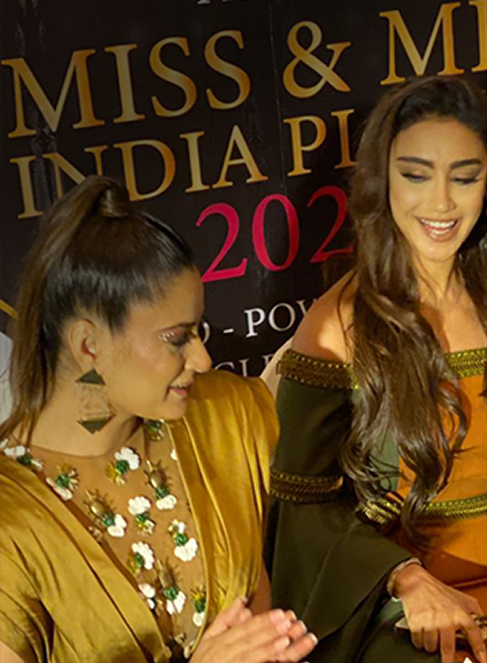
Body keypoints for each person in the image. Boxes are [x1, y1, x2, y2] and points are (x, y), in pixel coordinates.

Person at [264, 76, 487, 663]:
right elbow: (303, 510)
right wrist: (403, 578)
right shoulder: (334, 327)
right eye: (416, 175)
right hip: (391, 602)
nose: (442, 204)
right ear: (382, 181)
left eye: (464, 177)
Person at [0, 177, 317, 663]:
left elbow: (320, 540)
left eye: (198, 331)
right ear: (89, 345)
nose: (202, 359)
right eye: (177, 338)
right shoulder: (11, 519)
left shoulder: (225, 415)